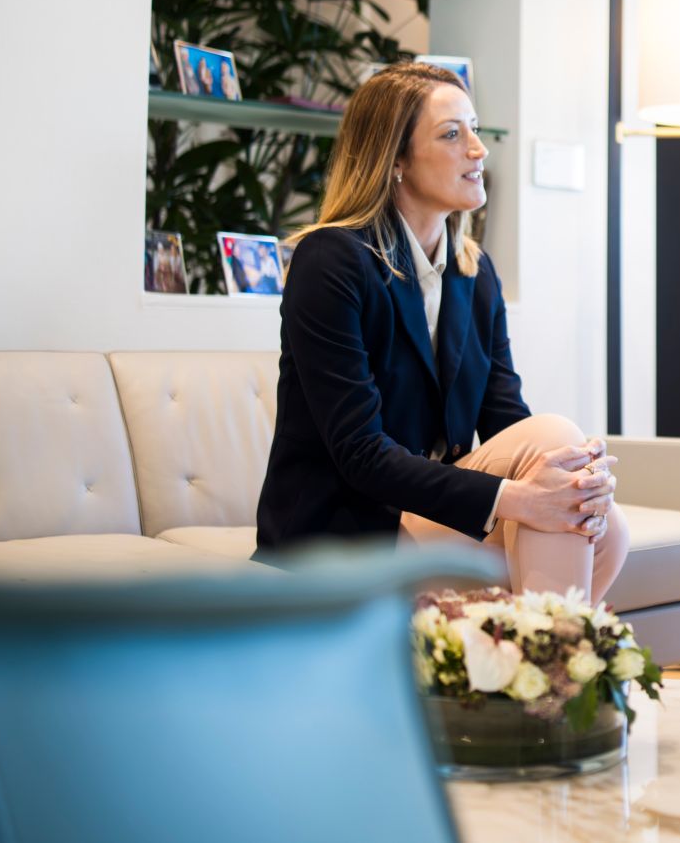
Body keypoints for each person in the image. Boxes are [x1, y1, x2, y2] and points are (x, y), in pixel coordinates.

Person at [255, 63, 628, 601]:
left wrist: (577, 480)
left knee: (604, 520)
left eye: (474, 129)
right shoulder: (331, 261)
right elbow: (360, 454)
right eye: (453, 134)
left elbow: (507, 427)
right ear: (396, 159)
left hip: (423, 521)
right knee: (556, 462)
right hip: (340, 531)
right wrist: (521, 498)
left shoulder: (474, 274)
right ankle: (552, 673)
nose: (478, 149)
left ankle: (531, 670)